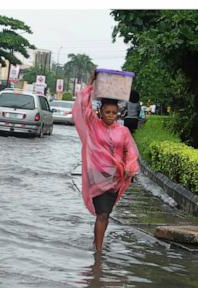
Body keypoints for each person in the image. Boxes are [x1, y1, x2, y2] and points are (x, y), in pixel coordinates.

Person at [72, 72, 139, 253]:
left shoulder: (123, 131)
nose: (110, 115)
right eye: (107, 112)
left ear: (118, 113)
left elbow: (130, 151)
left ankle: (96, 244)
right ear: (100, 112)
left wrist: (130, 167)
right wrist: (91, 81)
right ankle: (99, 253)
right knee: (102, 214)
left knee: (106, 214)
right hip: (97, 177)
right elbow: (82, 106)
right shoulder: (93, 125)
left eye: (114, 113)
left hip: (115, 178)